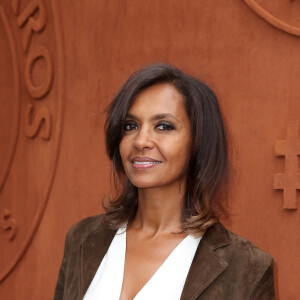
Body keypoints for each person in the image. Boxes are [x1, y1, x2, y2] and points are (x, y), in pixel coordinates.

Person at [54, 63, 275, 300]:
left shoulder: (246, 267)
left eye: (163, 126)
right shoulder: (82, 238)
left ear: (198, 142)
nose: (141, 140)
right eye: (131, 125)